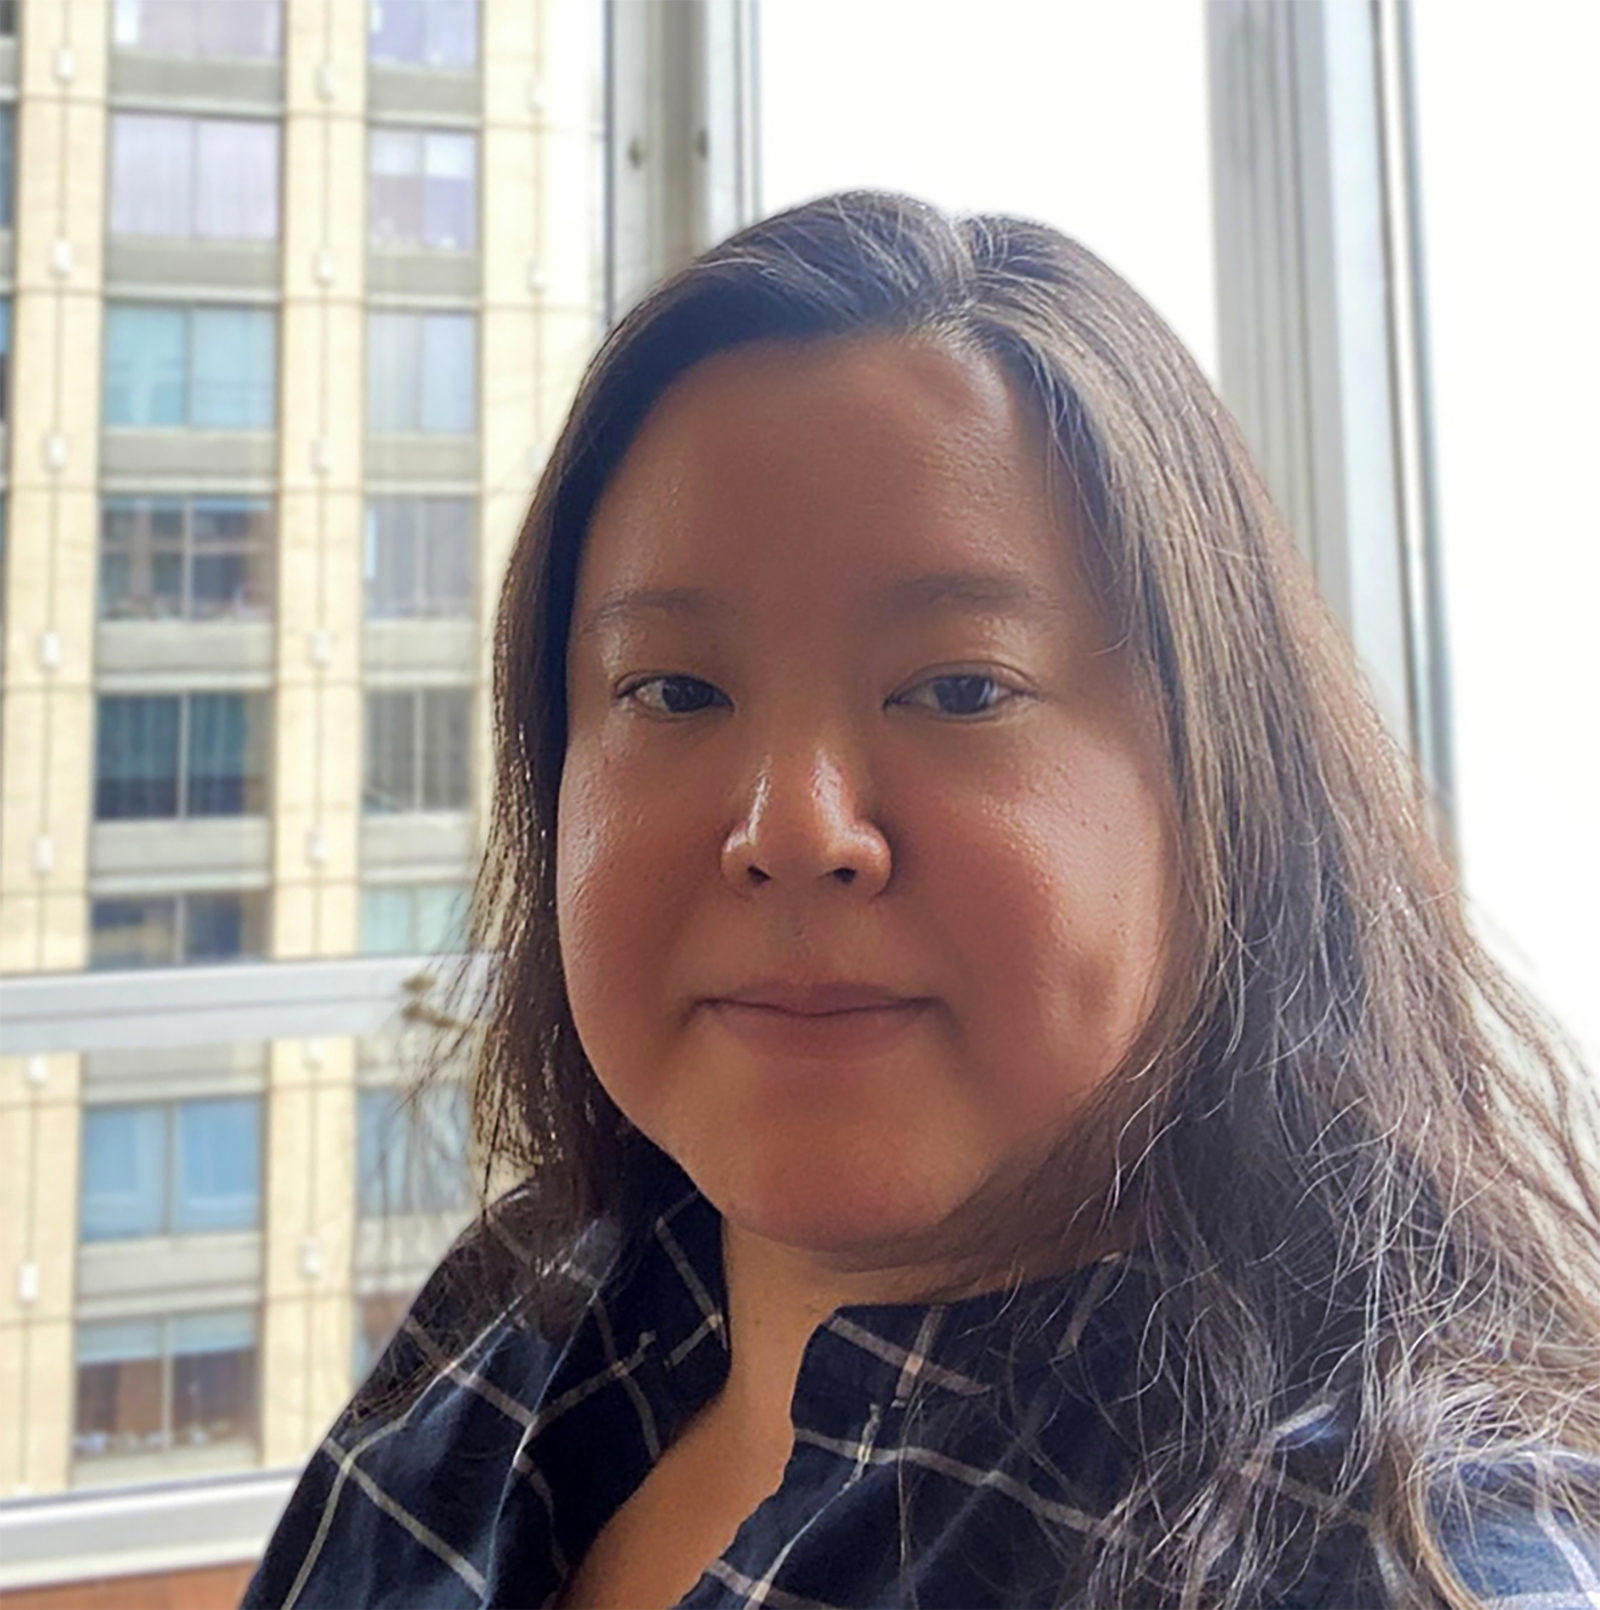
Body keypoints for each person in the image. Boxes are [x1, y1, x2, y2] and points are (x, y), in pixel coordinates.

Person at [243, 191, 1600, 1609]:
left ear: (1223, 794)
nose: (794, 830)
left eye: (960, 687)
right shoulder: (519, 1305)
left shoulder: (1401, 1562)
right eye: (674, 688)